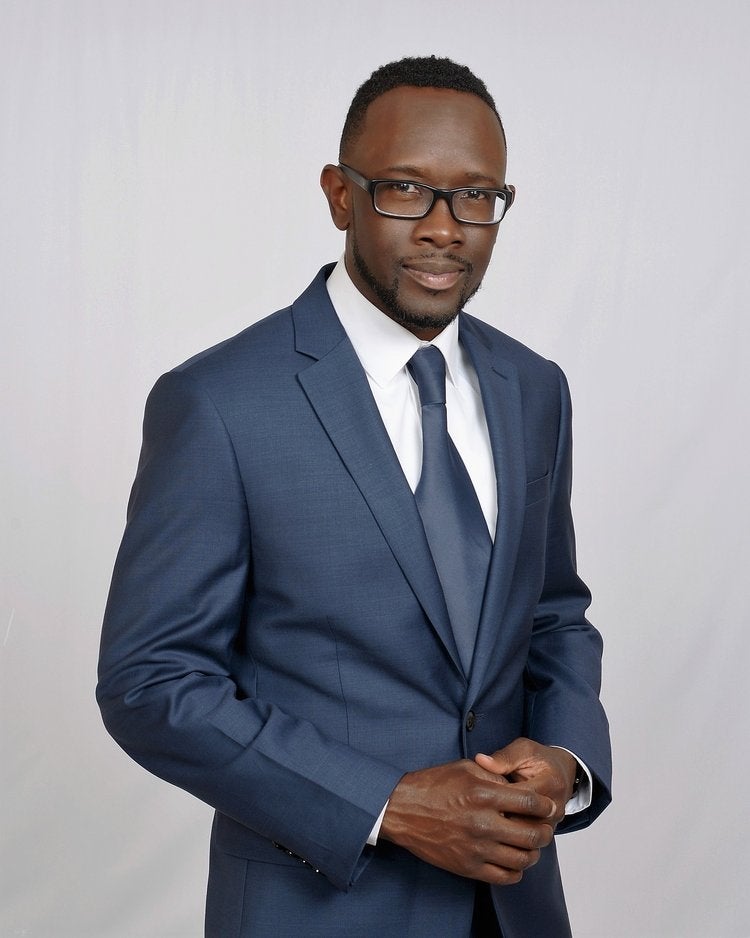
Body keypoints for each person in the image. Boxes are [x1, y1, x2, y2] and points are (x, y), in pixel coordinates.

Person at [97, 56, 611, 938]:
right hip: (318, 910)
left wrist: (567, 756)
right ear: (341, 195)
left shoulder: (536, 388)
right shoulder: (221, 404)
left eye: (477, 197)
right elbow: (152, 682)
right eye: (406, 190)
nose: (446, 229)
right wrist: (390, 805)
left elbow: (554, 615)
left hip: (518, 910)